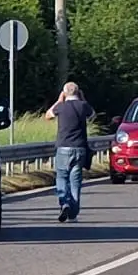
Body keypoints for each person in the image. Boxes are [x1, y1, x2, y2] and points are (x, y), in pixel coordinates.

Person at [47, 81, 93, 222]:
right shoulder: (83, 106)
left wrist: (59, 100)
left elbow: (48, 115)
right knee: (75, 181)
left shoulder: (61, 107)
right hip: (80, 148)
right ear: (78, 93)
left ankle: (64, 202)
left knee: (61, 177)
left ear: (65, 92)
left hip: (63, 148)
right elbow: (92, 115)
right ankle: (73, 213)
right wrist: (82, 99)